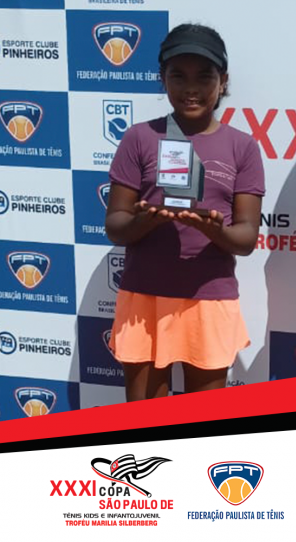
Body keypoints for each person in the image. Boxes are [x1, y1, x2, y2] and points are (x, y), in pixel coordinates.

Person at [105, 23, 265, 401]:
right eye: (178, 75)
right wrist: (144, 222)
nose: (190, 87)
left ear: (223, 81)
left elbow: (245, 239)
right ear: (162, 79)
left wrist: (215, 231)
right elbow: (115, 225)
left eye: (204, 76)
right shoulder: (139, 138)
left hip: (209, 297)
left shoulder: (242, 146)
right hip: (144, 295)